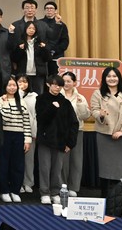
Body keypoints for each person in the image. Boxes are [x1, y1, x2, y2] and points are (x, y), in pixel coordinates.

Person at [90, 67, 122, 197]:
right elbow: (94, 110)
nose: (112, 79)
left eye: (114, 76)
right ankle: (104, 197)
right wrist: (100, 115)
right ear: (104, 79)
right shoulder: (98, 93)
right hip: (105, 134)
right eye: (109, 76)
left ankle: (120, 197)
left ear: (119, 78)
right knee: (105, 167)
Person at [35, 74, 79, 204]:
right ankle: (44, 192)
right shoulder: (41, 99)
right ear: (48, 84)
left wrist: (70, 143)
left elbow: (74, 123)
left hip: (60, 141)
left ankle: (55, 192)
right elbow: (41, 119)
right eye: (54, 84)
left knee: (57, 168)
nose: (57, 87)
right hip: (45, 140)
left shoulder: (65, 102)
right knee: (44, 167)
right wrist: (52, 108)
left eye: (60, 85)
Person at [0, 77, 31, 203]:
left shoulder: (22, 102)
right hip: (4, 135)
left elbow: (26, 122)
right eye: (9, 85)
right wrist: (5, 103)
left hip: (19, 136)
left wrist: (27, 139)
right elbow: (5, 119)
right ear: (5, 87)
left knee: (18, 164)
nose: (12, 87)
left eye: (14, 85)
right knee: (3, 164)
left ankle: (15, 191)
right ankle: (4, 191)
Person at [60, 71, 90, 197]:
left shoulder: (80, 97)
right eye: (64, 81)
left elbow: (85, 116)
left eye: (69, 81)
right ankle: (62, 186)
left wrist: (80, 104)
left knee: (76, 161)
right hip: (61, 131)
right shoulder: (58, 95)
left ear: (74, 83)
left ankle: (74, 187)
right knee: (62, 161)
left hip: (77, 131)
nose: (66, 84)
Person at [11, 21, 50, 94]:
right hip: (23, 73)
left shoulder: (40, 42)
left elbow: (47, 58)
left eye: (33, 29)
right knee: (22, 94)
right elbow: (14, 58)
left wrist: (44, 48)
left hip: (38, 74)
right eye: (29, 28)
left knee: (38, 94)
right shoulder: (20, 41)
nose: (31, 30)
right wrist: (20, 49)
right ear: (25, 29)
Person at [17, 75, 38, 194]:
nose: (22, 84)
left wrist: (34, 132)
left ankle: (28, 183)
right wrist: (19, 93)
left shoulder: (34, 96)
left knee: (29, 160)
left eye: (25, 82)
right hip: (16, 130)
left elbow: (35, 116)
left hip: (30, 132)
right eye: (20, 82)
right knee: (17, 160)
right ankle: (18, 183)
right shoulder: (13, 95)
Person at [41, 2, 69, 76]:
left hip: (56, 57)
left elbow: (65, 42)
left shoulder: (62, 25)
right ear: (44, 11)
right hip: (42, 57)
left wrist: (53, 50)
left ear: (56, 11)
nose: (49, 10)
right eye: (47, 8)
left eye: (51, 8)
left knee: (55, 78)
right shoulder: (39, 23)